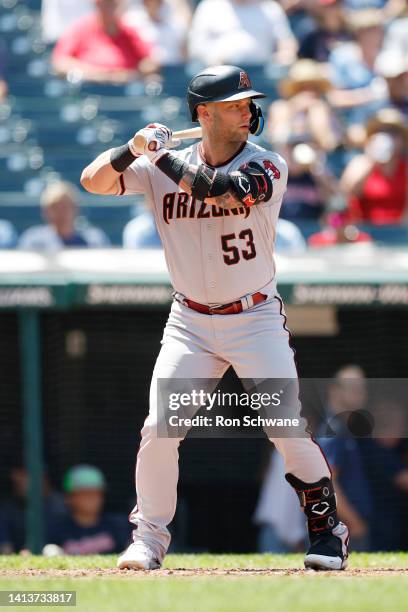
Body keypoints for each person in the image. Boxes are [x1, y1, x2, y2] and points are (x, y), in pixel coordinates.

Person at [81, 64, 350, 571]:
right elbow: (93, 180)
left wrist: (156, 155)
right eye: (233, 104)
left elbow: (220, 190)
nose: (248, 110)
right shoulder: (165, 163)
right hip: (189, 323)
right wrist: (130, 149)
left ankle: (326, 531)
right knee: (159, 427)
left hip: (255, 318)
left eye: (248, 102)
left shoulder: (268, 163)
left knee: (285, 427)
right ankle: (149, 539)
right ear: (203, 113)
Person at [316, 366, 373, 551]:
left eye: (362, 388)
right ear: (335, 390)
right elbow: (327, 482)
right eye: (353, 387)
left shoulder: (344, 427)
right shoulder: (334, 429)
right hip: (342, 531)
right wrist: (354, 522)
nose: (361, 393)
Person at [51, 0, 156, 84]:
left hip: (124, 91)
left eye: (115, 4)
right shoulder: (81, 28)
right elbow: (60, 63)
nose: (111, 8)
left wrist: (131, 74)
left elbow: (150, 62)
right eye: (107, 3)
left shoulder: (129, 31)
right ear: (98, 5)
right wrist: (98, 74)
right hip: (88, 90)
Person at [340, 108, 407, 225]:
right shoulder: (360, 163)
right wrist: (373, 160)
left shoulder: (405, 168)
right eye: (381, 131)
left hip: (398, 234)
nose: (387, 136)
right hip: (364, 233)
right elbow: (345, 196)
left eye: (393, 132)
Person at [45, 465, 131, 554]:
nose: (91, 498)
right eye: (84, 493)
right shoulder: (56, 530)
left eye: (96, 493)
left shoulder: (118, 525)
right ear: (69, 497)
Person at [188, 0, 297, 68]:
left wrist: (286, 54)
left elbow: (286, 41)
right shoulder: (210, 6)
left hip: (261, 74)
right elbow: (196, 45)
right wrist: (212, 58)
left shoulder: (270, 7)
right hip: (220, 75)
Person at [268, 60, 341, 152]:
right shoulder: (280, 107)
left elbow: (328, 143)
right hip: (285, 161)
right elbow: (275, 138)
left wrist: (315, 114)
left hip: (318, 161)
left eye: (313, 87)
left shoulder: (323, 109)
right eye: (302, 87)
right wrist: (295, 108)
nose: (309, 91)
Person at [18, 180, 110, 251]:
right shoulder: (33, 241)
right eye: (55, 207)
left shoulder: (94, 240)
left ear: (76, 208)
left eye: (66, 206)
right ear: (45, 211)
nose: (61, 212)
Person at [0, 465, 67, 554]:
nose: (18, 479)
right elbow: (6, 550)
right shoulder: (8, 510)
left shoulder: (60, 505)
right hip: (24, 557)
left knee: (51, 550)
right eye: (17, 475)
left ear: (43, 478)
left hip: (60, 554)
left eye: (24, 474)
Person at [124, 0, 190, 66]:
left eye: (158, 2)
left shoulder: (175, 22)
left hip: (175, 67)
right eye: (148, 2)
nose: (154, 4)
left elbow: (184, 53)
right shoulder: (132, 21)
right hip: (149, 70)